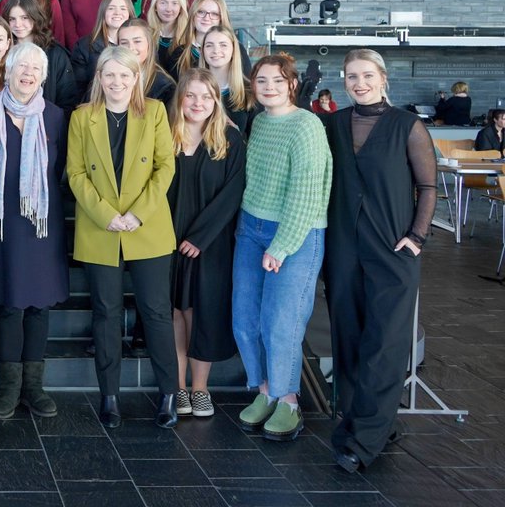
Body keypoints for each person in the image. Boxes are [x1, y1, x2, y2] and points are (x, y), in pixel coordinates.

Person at [323, 49, 436, 473]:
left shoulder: (408, 125)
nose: (359, 83)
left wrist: (417, 237)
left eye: (367, 75)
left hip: (393, 250)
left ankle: (363, 440)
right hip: (344, 249)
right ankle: (369, 421)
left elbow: (427, 186)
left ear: (383, 78)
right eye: (352, 76)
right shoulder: (334, 123)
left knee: (385, 343)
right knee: (348, 338)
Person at [66, 46, 179, 429]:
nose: (117, 82)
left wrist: (136, 214)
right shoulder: (83, 118)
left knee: (157, 313)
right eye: (109, 75)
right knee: (106, 313)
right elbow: (76, 173)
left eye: (124, 76)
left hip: (146, 225)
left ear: (137, 79)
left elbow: (165, 167)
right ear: (99, 78)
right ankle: (109, 396)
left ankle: (168, 394)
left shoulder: (156, 113)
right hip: (101, 227)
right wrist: (106, 215)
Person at [233, 53, 332, 441]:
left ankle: (288, 399)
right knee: (245, 317)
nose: (269, 87)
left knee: (281, 321)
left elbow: (307, 195)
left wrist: (282, 245)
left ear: (292, 84)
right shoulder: (258, 123)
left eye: (277, 80)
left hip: (295, 232)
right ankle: (264, 391)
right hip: (251, 226)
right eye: (261, 81)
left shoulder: (307, 125)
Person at [0, 42, 69, 421]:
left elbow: (61, 170)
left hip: (41, 224)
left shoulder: (57, 118)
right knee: (9, 305)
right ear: (7, 71)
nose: (28, 73)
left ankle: (34, 388)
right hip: (1, 224)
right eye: (21, 66)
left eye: (35, 69)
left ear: (43, 77)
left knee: (39, 306)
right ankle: (8, 388)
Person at [167, 70, 246, 420]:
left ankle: (200, 388)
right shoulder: (164, 135)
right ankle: (178, 388)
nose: (198, 103)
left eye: (206, 97)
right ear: (180, 98)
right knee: (175, 312)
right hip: (166, 239)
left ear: (216, 101)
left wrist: (200, 238)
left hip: (210, 243)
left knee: (202, 313)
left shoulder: (228, 139)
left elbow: (233, 193)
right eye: (191, 96)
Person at [3, 0, 78, 111]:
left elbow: (68, 100)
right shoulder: (2, 51)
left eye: (24, 18)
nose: (17, 24)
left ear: (35, 17)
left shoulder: (55, 54)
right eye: (12, 19)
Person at [69, 0, 135, 100]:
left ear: (130, 13)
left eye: (123, 9)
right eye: (111, 8)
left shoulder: (141, 44)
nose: (117, 13)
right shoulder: (83, 46)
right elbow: (78, 89)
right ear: (103, 12)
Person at [172, 0, 251, 78]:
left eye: (214, 14)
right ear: (193, 15)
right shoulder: (179, 53)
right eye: (201, 12)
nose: (206, 18)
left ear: (221, 19)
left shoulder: (237, 50)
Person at [201, 26, 257, 135]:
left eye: (223, 45)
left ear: (233, 50)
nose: (216, 51)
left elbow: (255, 140)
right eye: (209, 45)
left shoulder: (250, 92)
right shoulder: (192, 89)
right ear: (202, 51)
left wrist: (236, 135)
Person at [118, 18, 175, 106]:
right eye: (124, 43)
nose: (130, 48)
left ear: (149, 44)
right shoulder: (108, 79)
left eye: (137, 41)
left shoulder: (165, 86)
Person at [145, 0, 189, 74]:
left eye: (174, 3)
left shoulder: (189, 37)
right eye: (163, 3)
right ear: (155, 6)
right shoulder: (145, 35)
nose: (168, 9)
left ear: (181, 7)